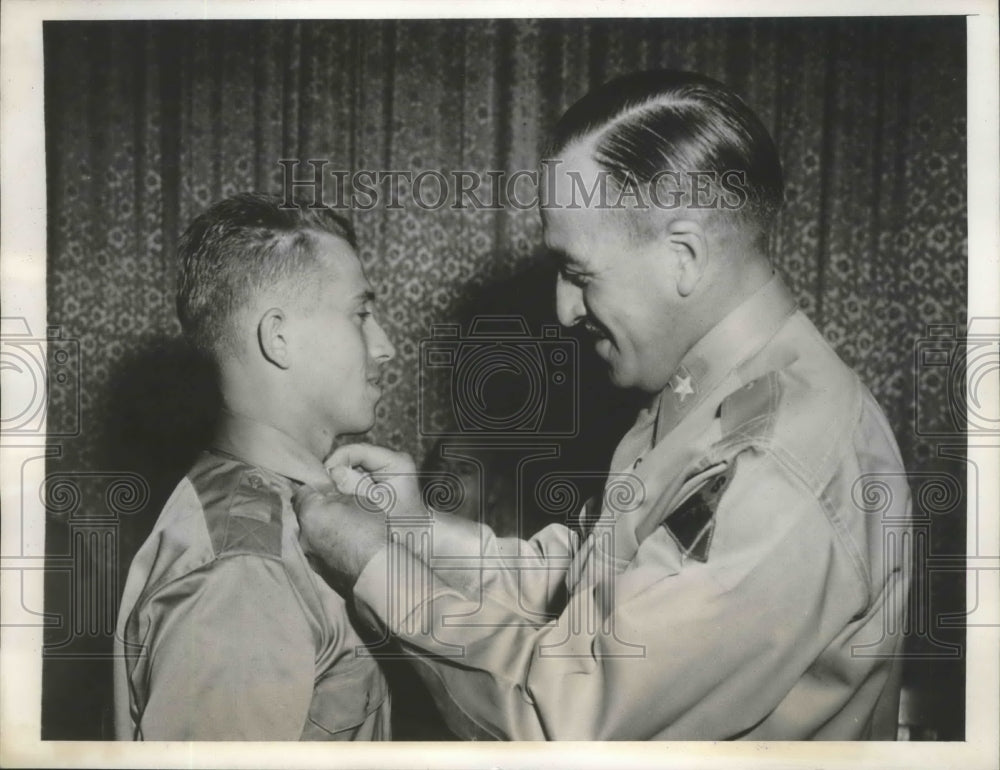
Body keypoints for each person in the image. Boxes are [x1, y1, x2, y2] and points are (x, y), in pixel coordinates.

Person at [293, 70, 913, 740]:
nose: (562, 310)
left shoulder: (776, 464)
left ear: (683, 257)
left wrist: (374, 566)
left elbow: (561, 721)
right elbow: (585, 592)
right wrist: (413, 531)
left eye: (580, 273)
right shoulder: (708, 398)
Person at [113, 193, 396, 740]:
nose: (383, 346)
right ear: (278, 337)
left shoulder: (274, 509)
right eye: (361, 315)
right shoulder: (244, 575)